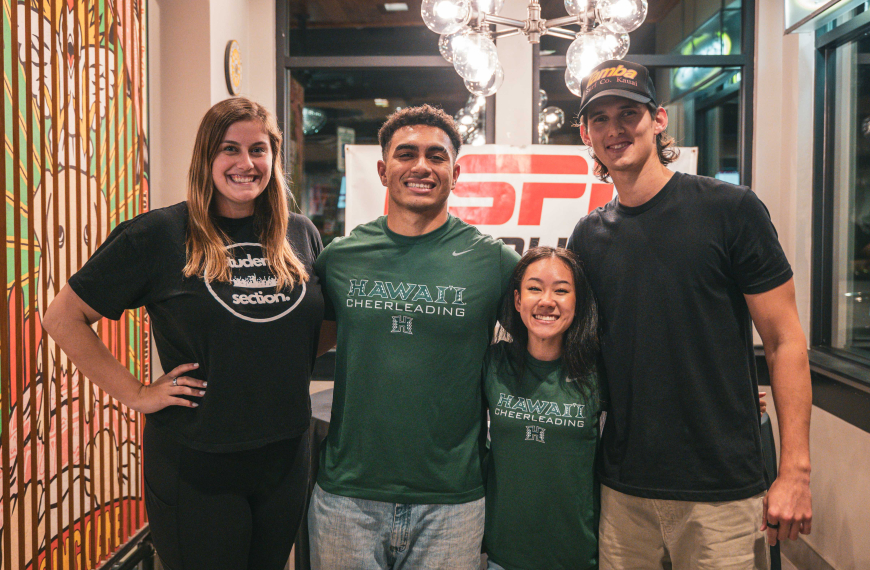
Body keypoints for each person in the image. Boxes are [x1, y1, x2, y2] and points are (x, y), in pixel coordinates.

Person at [42, 97, 323, 570]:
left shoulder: (298, 234)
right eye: (229, 149)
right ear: (206, 157)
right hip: (198, 462)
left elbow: (318, 320)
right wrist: (136, 393)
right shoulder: (159, 235)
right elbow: (62, 318)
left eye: (259, 149)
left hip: (285, 457)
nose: (246, 163)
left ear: (274, 158)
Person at [567, 60, 813, 568]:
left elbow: (786, 340)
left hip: (720, 491)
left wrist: (795, 472)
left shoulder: (731, 210)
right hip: (622, 489)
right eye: (600, 119)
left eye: (628, 113)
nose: (615, 130)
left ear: (658, 119)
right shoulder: (586, 238)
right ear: (587, 135)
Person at [309, 104, 520, 569]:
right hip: (347, 498)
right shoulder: (341, 258)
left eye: (436, 156)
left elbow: (547, 343)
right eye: (406, 154)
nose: (421, 166)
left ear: (456, 172)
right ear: (384, 171)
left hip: (454, 501)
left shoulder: (494, 262)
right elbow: (301, 351)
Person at [483, 246, 602, 570]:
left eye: (561, 291)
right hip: (504, 558)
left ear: (577, 302)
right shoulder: (494, 364)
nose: (546, 301)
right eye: (535, 288)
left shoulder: (599, 374)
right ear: (518, 300)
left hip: (577, 558)